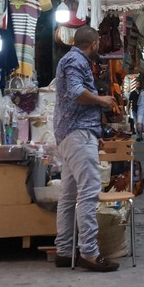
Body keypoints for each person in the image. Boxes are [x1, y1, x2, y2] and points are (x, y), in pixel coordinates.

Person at [52, 25, 120, 272]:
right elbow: (75, 92)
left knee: (69, 195)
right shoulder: (76, 60)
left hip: (74, 133)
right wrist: (102, 100)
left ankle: (64, 250)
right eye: (98, 43)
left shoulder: (70, 60)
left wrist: (94, 132)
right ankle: (89, 253)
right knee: (89, 191)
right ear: (94, 44)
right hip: (77, 133)